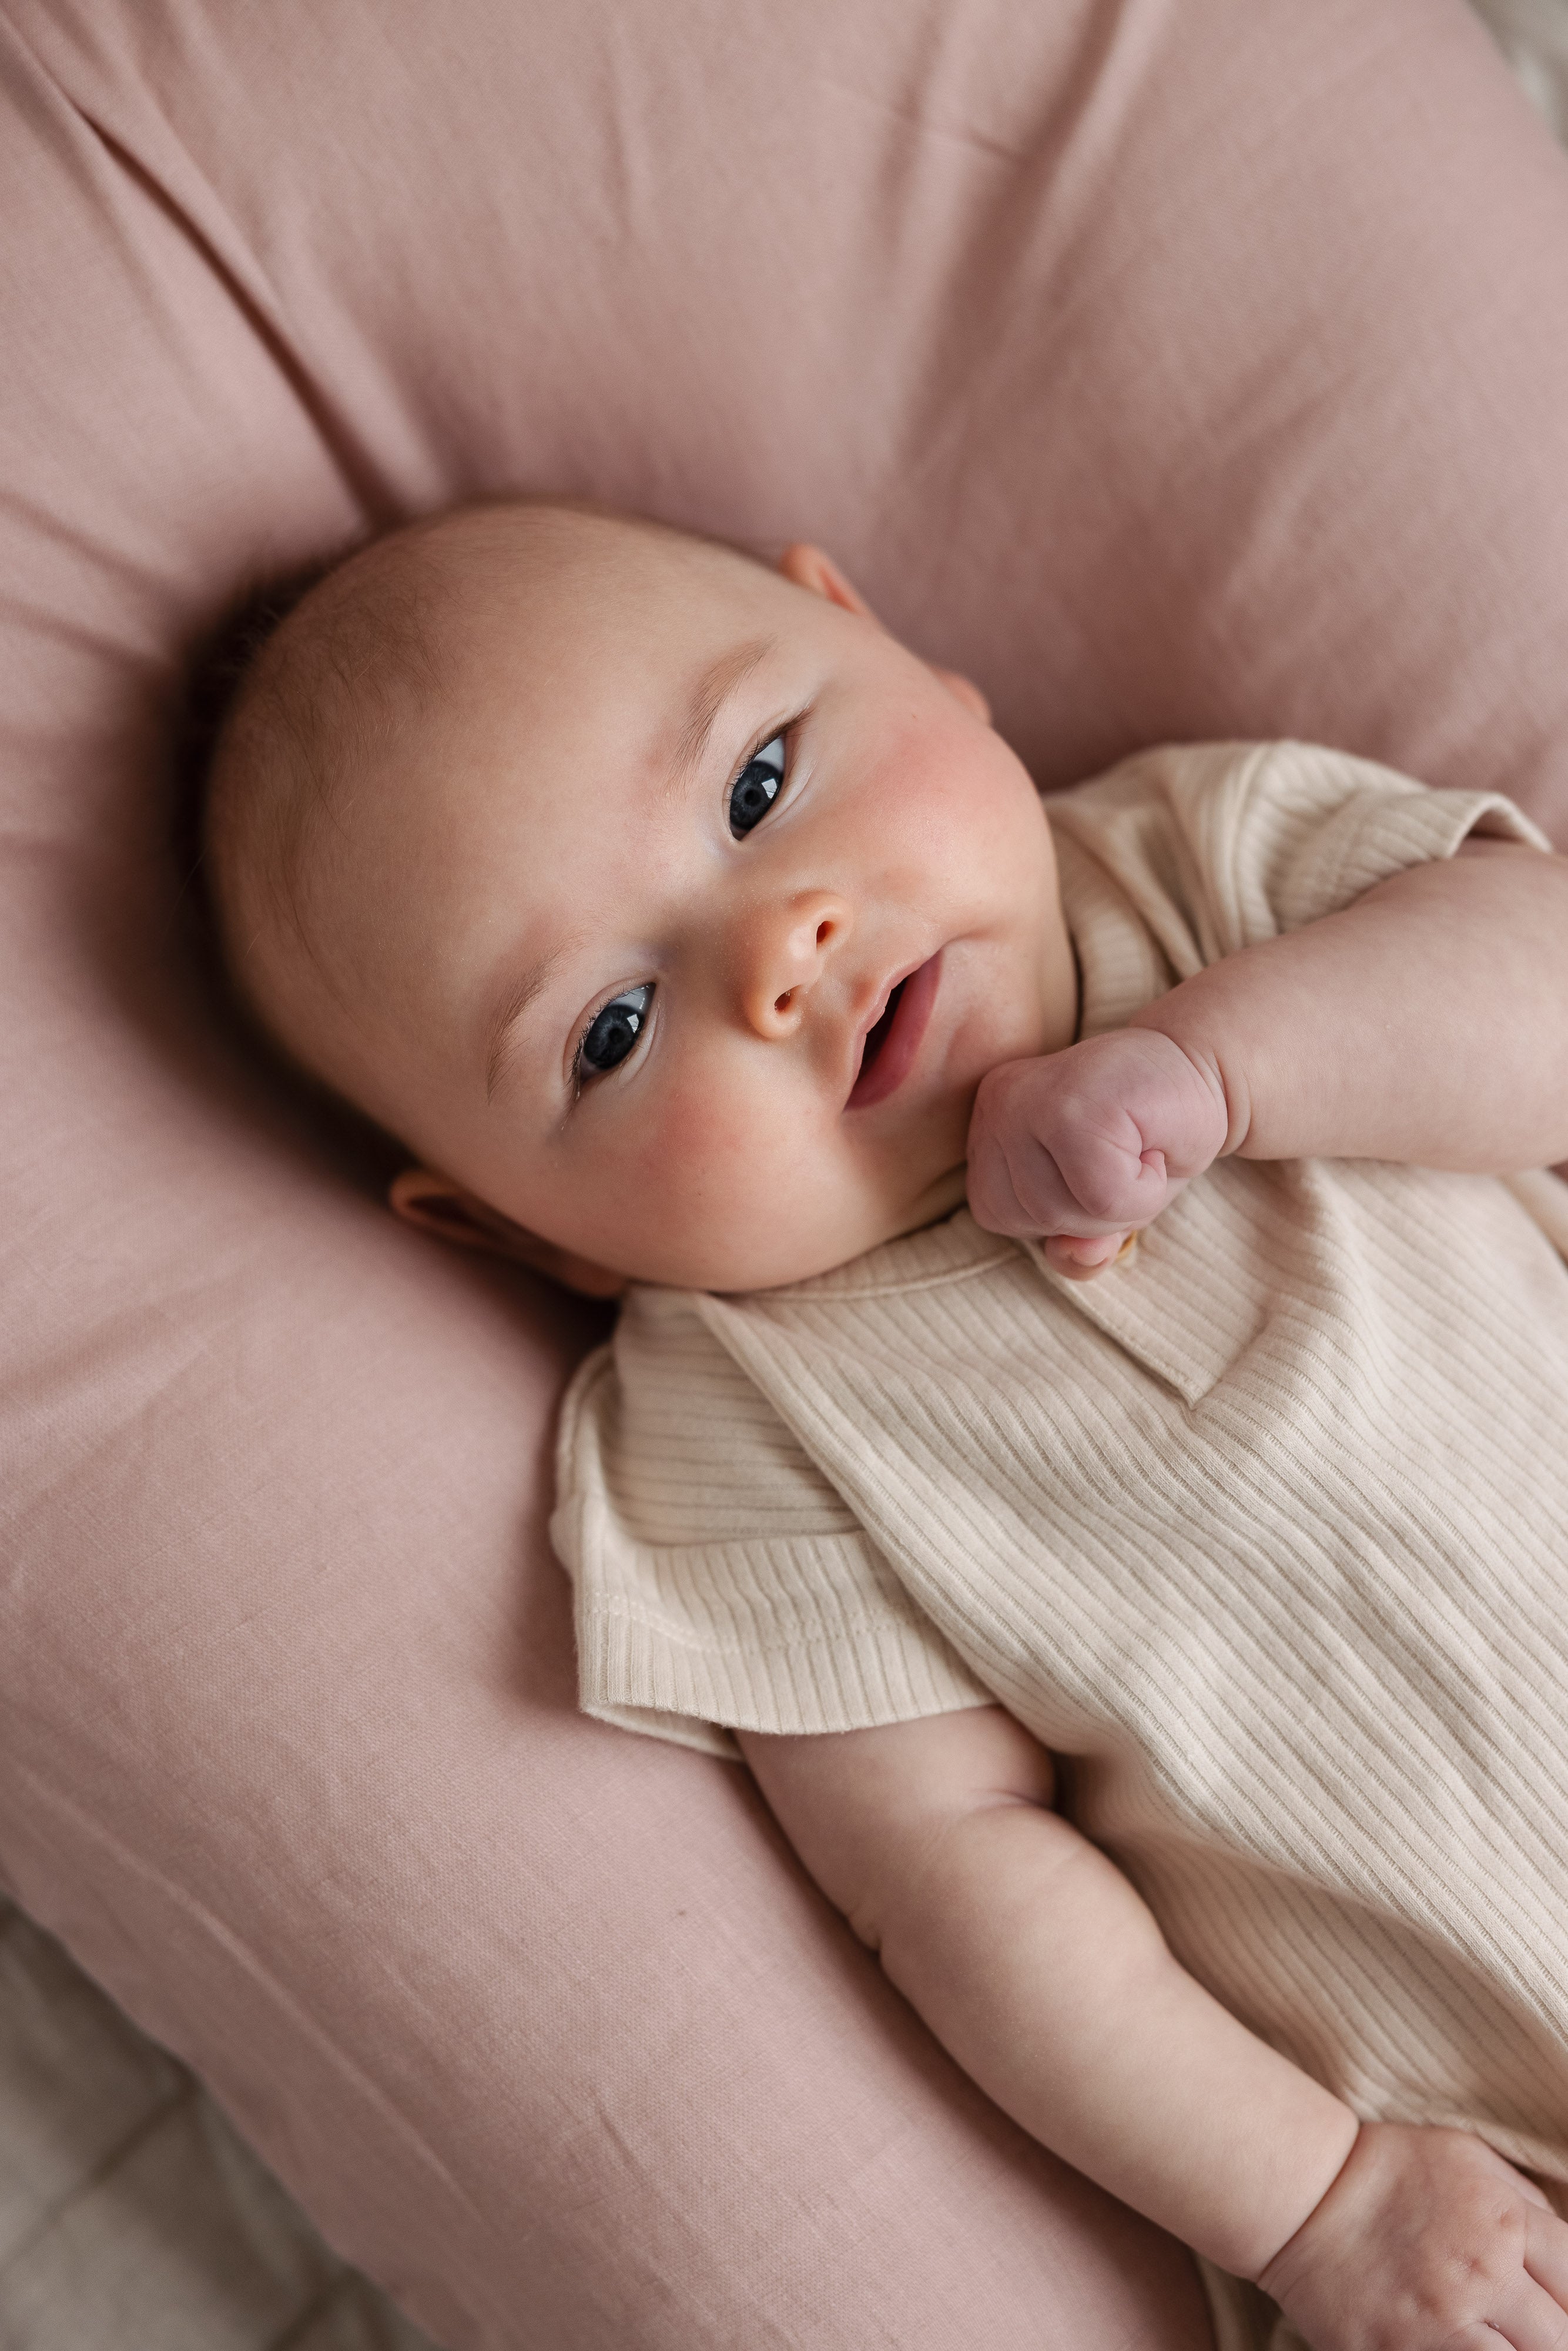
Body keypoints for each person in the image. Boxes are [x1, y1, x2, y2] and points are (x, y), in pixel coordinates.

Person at [197, 494, 1568, 2351]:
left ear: (889, 645)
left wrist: (1223, 1068)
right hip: (1498, 2180)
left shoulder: (1201, 866)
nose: (782, 945)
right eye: (611, 1029)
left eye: (760, 784)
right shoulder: (732, 1423)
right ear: (526, 1232)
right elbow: (957, 1886)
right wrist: (1322, 2199)